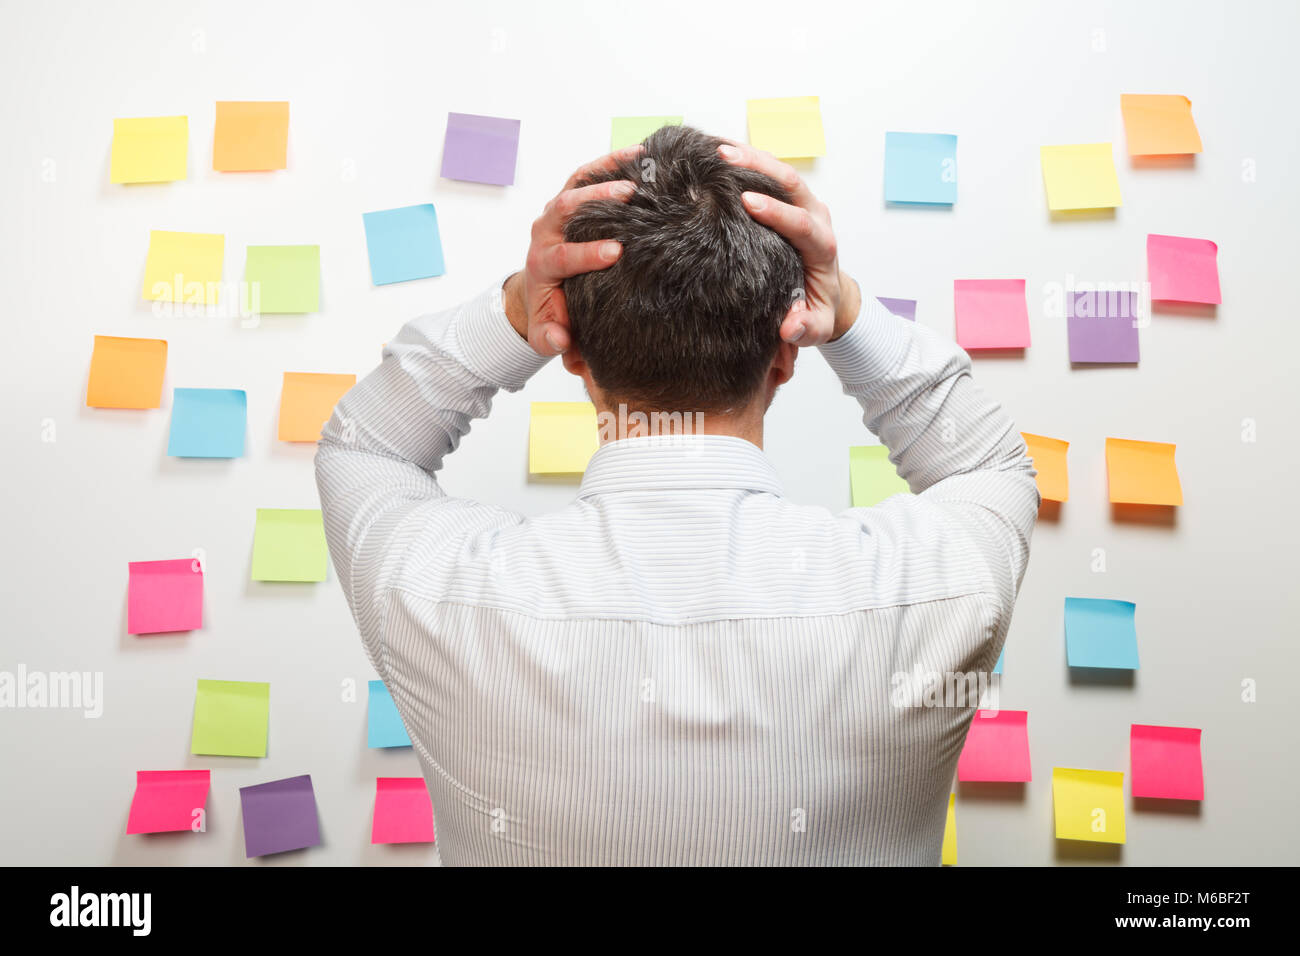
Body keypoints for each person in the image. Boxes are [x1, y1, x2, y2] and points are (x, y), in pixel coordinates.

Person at [315, 126, 1038, 866]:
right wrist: (846, 307)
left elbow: (365, 445)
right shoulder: (934, 589)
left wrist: (512, 309)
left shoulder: (440, 594)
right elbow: (990, 464)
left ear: (572, 354)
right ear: (787, 353)